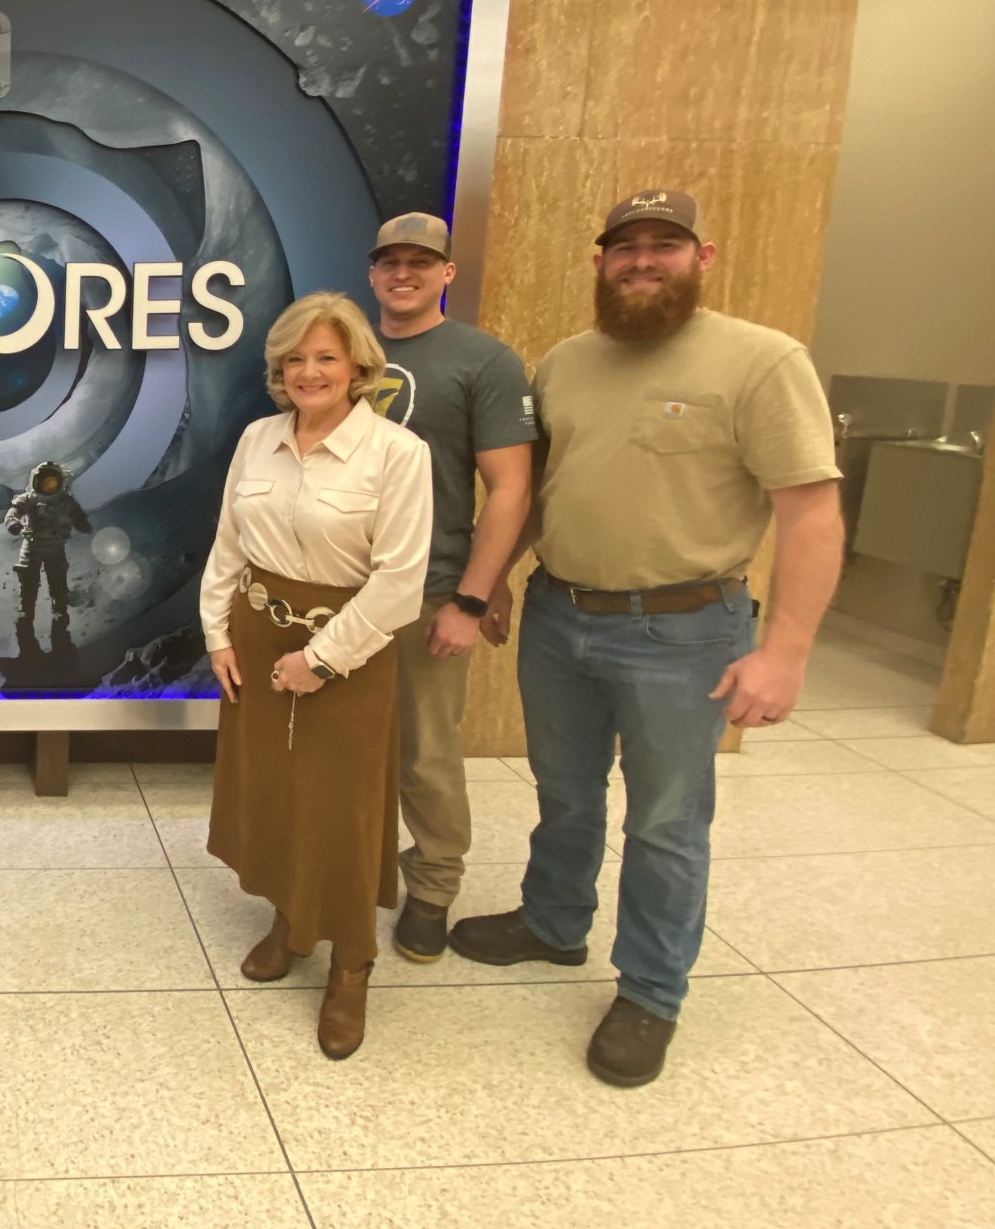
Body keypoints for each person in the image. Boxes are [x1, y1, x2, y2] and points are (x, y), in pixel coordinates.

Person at [450, 189, 843, 1088]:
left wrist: (784, 651)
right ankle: (552, 922)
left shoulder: (762, 361)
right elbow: (540, 484)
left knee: (667, 821)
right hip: (561, 612)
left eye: (665, 246)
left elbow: (812, 511)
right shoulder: (565, 363)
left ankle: (651, 992)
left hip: (686, 629)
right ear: (599, 262)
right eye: (625, 247)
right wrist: (498, 579)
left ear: (704, 258)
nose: (642, 261)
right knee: (565, 788)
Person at [201, 291, 431, 1060]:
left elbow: (400, 581)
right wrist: (218, 634)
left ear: (359, 365)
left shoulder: (398, 454)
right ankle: (291, 922)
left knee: (342, 803)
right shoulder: (258, 438)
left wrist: (323, 658)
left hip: (349, 649)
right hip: (257, 635)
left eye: (326, 357)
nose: (309, 371)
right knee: (270, 785)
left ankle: (352, 963)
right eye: (295, 359)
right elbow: (229, 543)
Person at [364, 214, 535, 961]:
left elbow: (510, 488)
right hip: (336, 591)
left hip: (428, 589)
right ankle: (345, 869)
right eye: (391, 261)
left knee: (426, 751)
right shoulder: (344, 351)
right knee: (343, 748)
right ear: (373, 271)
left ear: (447, 273)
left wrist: (472, 597)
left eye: (421, 262)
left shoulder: (483, 361)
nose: (405, 273)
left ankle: (432, 887)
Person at [4, 460, 92, 639]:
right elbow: (14, 511)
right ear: (36, 482)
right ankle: (26, 612)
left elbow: (76, 515)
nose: (49, 486)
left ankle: (59, 611)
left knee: (58, 580)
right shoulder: (31, 498)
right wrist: (13, 523)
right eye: (46, 482)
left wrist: (82, 524)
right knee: (28, 579)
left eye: (53, 482)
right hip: (32, 546)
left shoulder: (65, 501)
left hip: (55, 547)